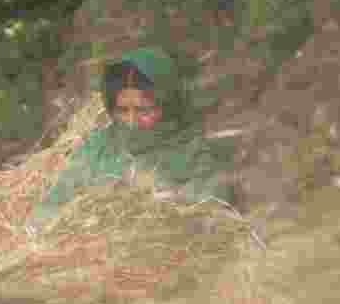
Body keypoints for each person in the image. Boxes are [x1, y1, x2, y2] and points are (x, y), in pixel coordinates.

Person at [28, 46, 238, 231]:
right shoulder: (98, 147)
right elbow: (55, 202)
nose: (131, 120)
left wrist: (166, 205)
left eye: (143, 109)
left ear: (168, 105)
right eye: (122, 110)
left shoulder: (191, 152)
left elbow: (212, 208)